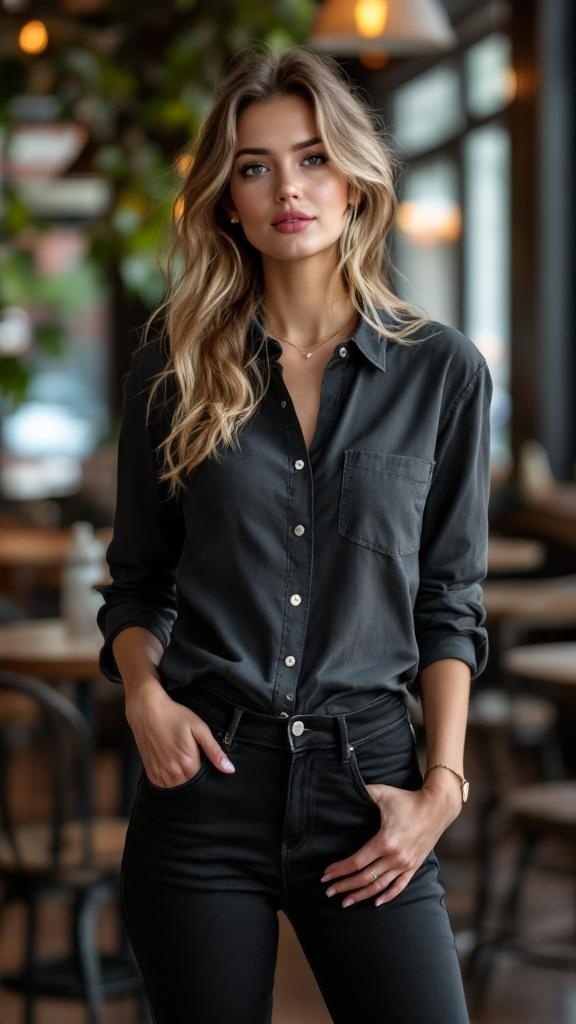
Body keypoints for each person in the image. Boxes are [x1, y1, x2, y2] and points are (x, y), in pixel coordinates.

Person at [96, 43, 492, 1024]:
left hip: (369, 790)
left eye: (313, 158)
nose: (289, 188)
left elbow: (450, 600)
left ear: (355, 182)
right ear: (227, 198)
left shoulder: (442, 374)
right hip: (202, 787)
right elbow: (138, 581)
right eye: (255, 164)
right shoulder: (172, 371)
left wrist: (440, 788)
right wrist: (143, 695)